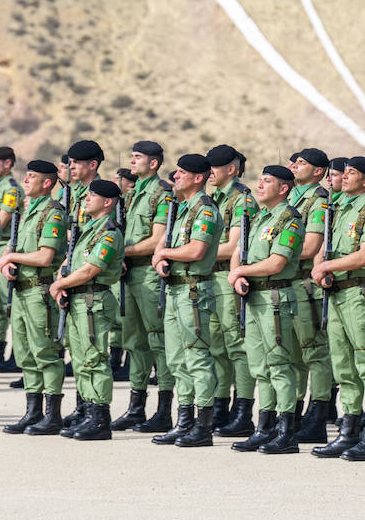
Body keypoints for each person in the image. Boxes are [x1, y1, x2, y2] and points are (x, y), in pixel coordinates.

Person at [310, 156, 365, 461]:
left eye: (352, 173)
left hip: (359, 292)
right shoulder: (339, 207)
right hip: (336, 292)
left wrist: (328, 265)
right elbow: (323, 246)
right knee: (343, 366)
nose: (344, 177)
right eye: (344, 173)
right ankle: (349, 431)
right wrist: (320, 267)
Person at [227, 165, 305, 454]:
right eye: (260, 180)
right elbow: (238, 251)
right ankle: (265, 426)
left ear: (283, 188)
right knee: (260, 366)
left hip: (274, 298)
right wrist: (237, 274)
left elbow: (276, 263)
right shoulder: (260, 217)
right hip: (254, 297)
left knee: (279, 364)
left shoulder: (289, 219)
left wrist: (241, 272)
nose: (260, 185)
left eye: (268, 181)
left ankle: (287, 431)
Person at [151, 154, 223, 447]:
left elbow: (195, 251)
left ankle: (203, 425)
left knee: (197, 356)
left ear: (198, 177)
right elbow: (163, 247)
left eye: (181, 173)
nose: (175, 176)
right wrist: (160, 260)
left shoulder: (204, 210)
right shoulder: (180, 209)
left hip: (193, 291)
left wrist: (165, 255)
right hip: (175, 288)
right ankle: (184, 421)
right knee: (177, 358)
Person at [0, 160, 69, 435]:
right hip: (22, 291)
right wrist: (6, 262)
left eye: (32, 176)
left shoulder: (52, 212)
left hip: (40, 291)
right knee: (26, 354)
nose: (25, 180)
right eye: (26, 175)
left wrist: (12, 257)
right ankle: (33, 411)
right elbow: (7, 251)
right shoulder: (27, 212)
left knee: (45, 353)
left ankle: (52, 415)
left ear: (47, 183)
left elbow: (45, 256)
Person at [51, 177, 126, 441]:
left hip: (93, 300)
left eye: (91, 196)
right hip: (79, 299)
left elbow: (91, 269)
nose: (85, 199)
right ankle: (87, 411)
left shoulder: (109, 232)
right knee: (81, 359)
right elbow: (72, 263)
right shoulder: (89, 229)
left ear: (107, 202)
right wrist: (63, 283)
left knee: (94, 358)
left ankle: (100, 419)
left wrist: (60, 283)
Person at [110, 141, 176, 435]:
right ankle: (137, 408)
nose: (132, 161)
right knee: (134, 342)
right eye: (132, 156)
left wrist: (122, 252)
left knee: (158, 341)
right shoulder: (133, 193)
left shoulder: (161, 193)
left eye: (138, 157)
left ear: (154, 163)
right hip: (129, 274)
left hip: (149, 273)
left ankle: (164, 410)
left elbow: (156, 240)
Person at [206, 144, 258, 437]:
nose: (210, 172)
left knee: (236, 347)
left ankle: (243, 410)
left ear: (232, 169)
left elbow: (233, 246)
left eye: (216, 166)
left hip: (227, 279)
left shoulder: (243, 201)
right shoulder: (212, 198)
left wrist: (196, 253)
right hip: (210, 279)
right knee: (216, 347)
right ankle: (219, 406)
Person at [287, 148, 333, 443]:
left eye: (301, 163)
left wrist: (271, 256)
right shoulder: (289, 198)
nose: (294, 166)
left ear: (318, 171)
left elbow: (311, 246)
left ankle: (317, 415)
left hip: (306, 283)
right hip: (286, 282)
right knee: (290, 354)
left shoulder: (319, 201)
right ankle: (291, 414)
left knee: (314, 353)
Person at [0, 147, 22, 373]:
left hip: (2, 246)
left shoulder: (10, 189)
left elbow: (2, 220)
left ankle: (6, 353)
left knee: (5, 304)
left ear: (8, 164)